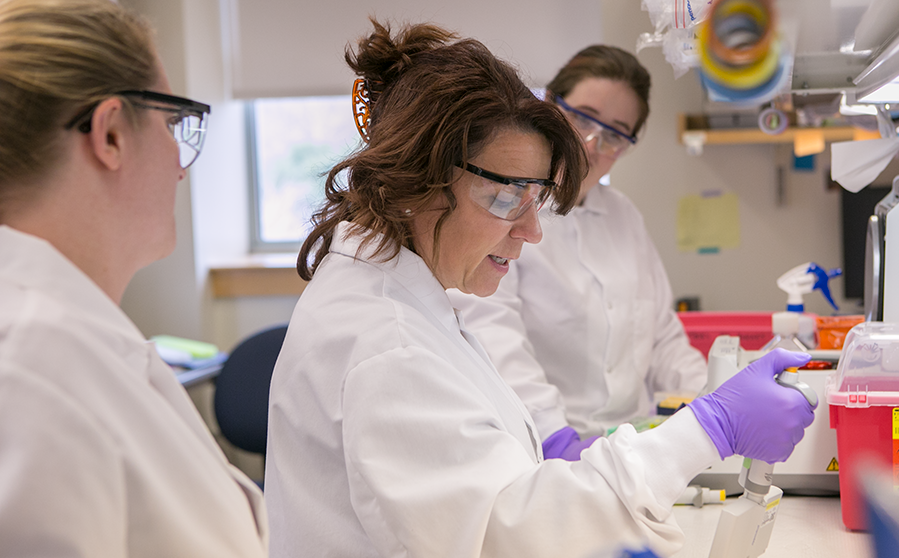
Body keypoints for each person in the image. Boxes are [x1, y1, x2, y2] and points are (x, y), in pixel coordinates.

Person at [264, 19, 814, 558]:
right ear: (417, 175)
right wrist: (706, 428)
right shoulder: (387, 345)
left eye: (537, 199)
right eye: (507, 199)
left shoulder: (405, 293)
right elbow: (515, 533)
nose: (532, 231)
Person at [0, 1, 267, 555]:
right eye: (173, 123)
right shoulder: (30, 371)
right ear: (112, 134)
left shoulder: (75, 338)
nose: (180, 160)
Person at [449, 45, 708, 459]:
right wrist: (556, 438)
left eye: (614, 135)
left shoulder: (624, 216)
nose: (590, 144)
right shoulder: (505, 206)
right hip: (543, 448)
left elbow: (663, 338)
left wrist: (708, 404)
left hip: (634, 447)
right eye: (582, 118)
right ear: (551, 104)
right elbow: (494, 333)